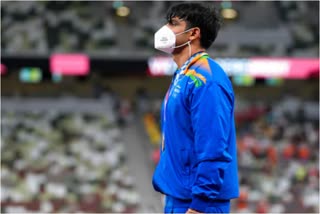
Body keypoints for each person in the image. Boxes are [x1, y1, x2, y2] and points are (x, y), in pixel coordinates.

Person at [152, 2, 239, 213]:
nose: (165, 29)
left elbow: (214, 146)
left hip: (198, 203)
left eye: (173, 24)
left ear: (194, 34)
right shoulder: (184, 74)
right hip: (179, 196)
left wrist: (199, 205)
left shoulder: (207, 79)